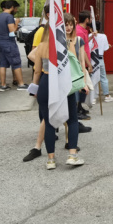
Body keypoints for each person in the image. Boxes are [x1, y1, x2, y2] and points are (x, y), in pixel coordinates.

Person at [28, 13, 87, 169]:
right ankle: (72, 155)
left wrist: (34, 88)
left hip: (45, 83)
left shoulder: (41, 47)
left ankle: (51, 160)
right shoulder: (66, 45)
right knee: (72, 119)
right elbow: (74, 66)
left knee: (48, 122)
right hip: (63, 85)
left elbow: (37, 71)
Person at [0, 0, 27, 92]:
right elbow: (11, 31)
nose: (16, 10)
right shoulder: (9, 17)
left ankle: (3, 85)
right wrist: (17, 22)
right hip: (9, 43)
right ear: (12, 7)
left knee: (2, 64)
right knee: (16, 63)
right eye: (16, 8)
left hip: (0, 42)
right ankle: (21, 84)